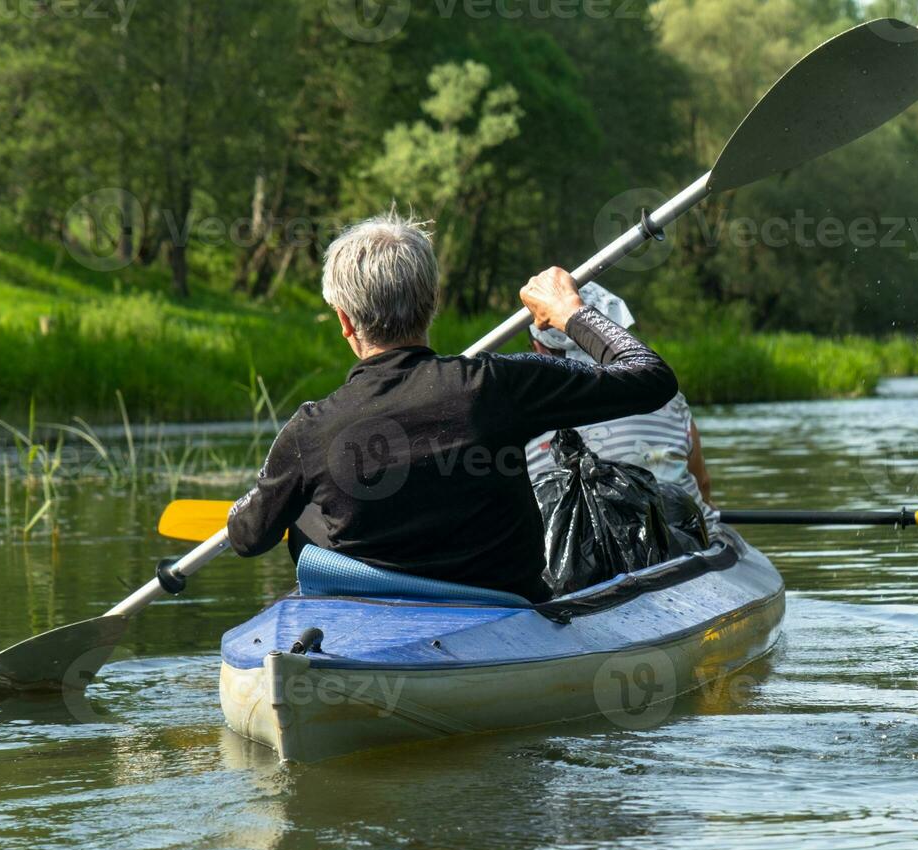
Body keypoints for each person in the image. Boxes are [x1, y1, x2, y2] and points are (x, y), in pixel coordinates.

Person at [225, 212, 678, 602]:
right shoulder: (498, 384)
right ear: (433, 302)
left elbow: (247, 537)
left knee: (306, 508)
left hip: (372, 610)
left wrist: (285, 491)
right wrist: (569, 312)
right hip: (502, 608)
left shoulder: (310, 429)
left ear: (344, 320)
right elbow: (649, 376)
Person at [525, 282, 717, 527]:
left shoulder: (519, 411)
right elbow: (703, 485)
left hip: (574, 556)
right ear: (618, 335)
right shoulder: (667, 392)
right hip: (686, 544)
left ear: (539, 348)